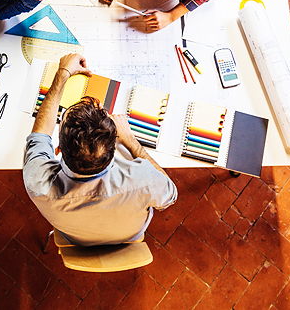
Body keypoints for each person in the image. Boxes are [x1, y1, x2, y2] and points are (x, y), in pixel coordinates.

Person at [23, 53, 177, 246]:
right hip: (129, 236)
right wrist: (130, 141)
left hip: (76, 240)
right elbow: (171, 196)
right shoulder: (144, 179)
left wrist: (63, 73)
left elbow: (40, 134)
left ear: (58, 148)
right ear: (112, 147)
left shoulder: (38, 183)